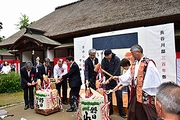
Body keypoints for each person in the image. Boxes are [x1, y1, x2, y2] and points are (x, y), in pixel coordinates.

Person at [113, 44, 162, 120]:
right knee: (134, 110)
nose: (132, 56)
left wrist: (146, 87)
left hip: (146, 91)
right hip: (136, 91)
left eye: (133, 53)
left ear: (138, 52)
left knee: (149, 111)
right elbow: (128, 75)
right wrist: (119, 78)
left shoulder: (148, 63)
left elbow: (154, 78)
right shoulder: (135, 64)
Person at [101, 49, 126, 117]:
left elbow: (116, 71)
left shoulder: (116, 59)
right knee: (109, 96)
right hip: (108, 81)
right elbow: (103, 70)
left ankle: (121, 111)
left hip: (116, 80)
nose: (107, 57)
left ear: (111, 53)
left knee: (119, 96)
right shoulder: (104, 60)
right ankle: (110, 110)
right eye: (106, 56)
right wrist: (105, 79)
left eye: (108, 55)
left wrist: (110, 79)